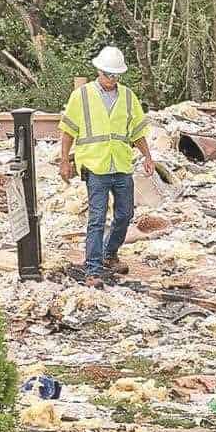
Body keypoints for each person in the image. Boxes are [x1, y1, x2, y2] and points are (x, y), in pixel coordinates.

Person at [58, 45, 155, 288]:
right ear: (99, 71)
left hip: (121, 165)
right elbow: (68, 130)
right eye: (108, 74)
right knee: (97, 219)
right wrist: (64, 160)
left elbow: (137, 132)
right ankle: (93, 269)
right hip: (95, 166)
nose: (112, 79)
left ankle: (109, 253)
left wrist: (148, 156)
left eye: (116, 75)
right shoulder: (81, 96)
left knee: (125, 215)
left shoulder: (128, 97)